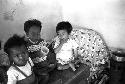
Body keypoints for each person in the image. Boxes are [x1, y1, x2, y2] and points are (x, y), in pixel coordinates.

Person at [24, 19, 56, 84]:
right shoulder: (26, 45)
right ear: (27, 34)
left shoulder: (41, 41)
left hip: (44, 61)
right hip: (36, 66)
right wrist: (37, 54)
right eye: (33, 34)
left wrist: (49, 45)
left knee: (54, 60)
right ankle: (43, 72)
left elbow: (47, 49)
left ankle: (47, 68)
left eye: (38, 34)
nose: (36, 36)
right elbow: (27, 58)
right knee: (45, 76)